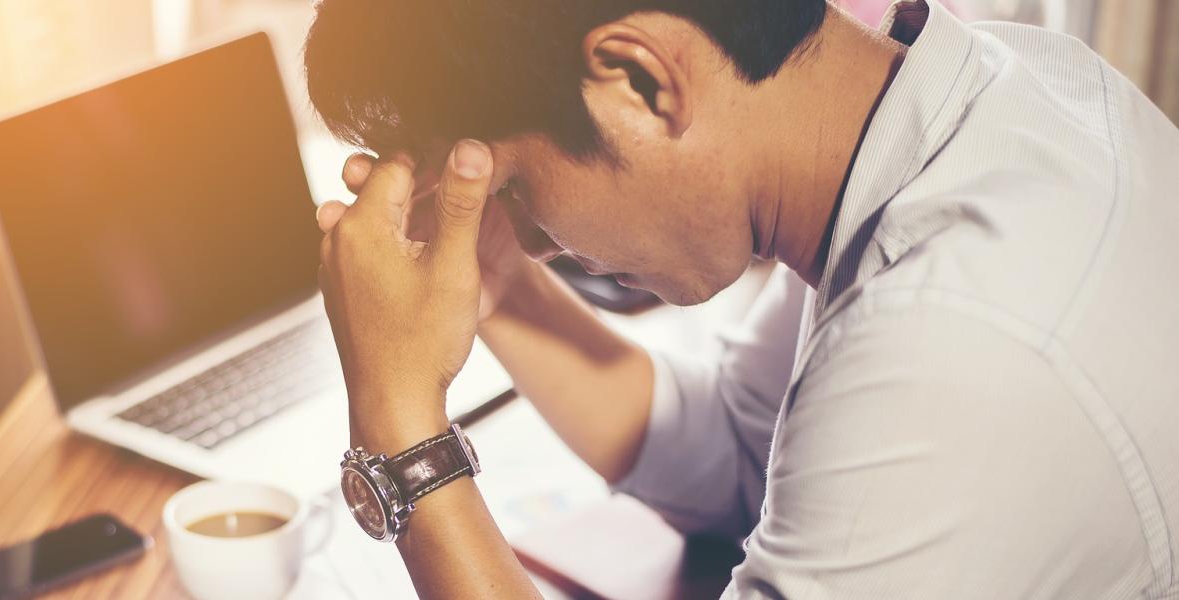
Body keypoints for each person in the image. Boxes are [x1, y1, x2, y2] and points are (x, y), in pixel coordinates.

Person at [307, 0, 1179, 597]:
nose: (535, 238)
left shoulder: (955, 340)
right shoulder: (990, 92)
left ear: (644, 82)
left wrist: (398, 427)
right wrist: (504, 292)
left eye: (523, 190)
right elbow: (735, 451)